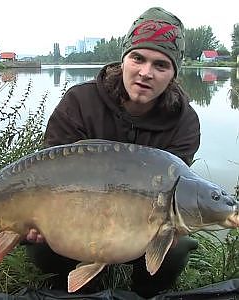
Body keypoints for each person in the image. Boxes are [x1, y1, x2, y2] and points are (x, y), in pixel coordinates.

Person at [26, 7, 200, 298]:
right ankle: (71, 286)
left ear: (173, 73)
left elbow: (176, 195)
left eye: (160, 65)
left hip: (140, 227)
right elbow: (49, 174)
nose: (146, 73)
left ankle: (146, 293)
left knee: (177, 243)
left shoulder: (184, 122)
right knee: (40, 241)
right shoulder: (80, 102)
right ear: (124, 59)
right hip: (76, 216)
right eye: (138, 58)